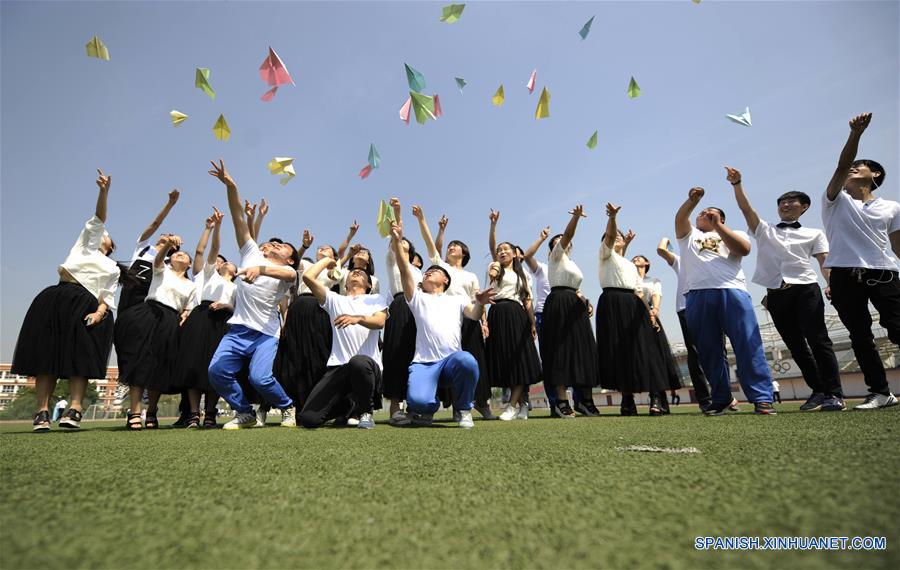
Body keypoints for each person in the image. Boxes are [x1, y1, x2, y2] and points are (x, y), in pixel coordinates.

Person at [727, 165, 844, 412]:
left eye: (792, 201)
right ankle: (818, 391)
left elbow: (825, 262)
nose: (786, 205)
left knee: (818, 341)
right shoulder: (764, 229)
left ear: (804, 207)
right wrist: (737, 185)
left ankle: (834, 393)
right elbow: (746, 209)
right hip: (776, 294)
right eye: (782, 202)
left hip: (806, 290)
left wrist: (830, 284)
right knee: (796, 345)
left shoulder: (814, 233)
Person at [12, 169, 119, 431]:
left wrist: (99, 313)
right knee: (46, 356)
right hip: (56, 298)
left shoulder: (111, 267)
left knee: (78, 359)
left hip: (86, 305)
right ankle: (42, 412)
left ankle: (75, 409)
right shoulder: (84, 245)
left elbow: (107, 297)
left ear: (111, 245)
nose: (102, 234)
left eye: (106, 236)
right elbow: (99, 217)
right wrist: (103, 191)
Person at [205, 159, 300, 430]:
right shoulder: (251, 253)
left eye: (282, 246)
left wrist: (260, 270)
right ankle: (244, 412)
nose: (275, 244)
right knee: (217, 371)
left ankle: (286, 406)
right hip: (238, 331)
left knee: (260, 379)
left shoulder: (289, 273)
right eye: (274, 242)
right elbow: (237, 217)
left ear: (289, 258)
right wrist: (231, 186)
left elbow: (288, 276)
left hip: (266, 334)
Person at [821, 113, 900, 410]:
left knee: (897, 327)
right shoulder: (835, 199)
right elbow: (842, 165)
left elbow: (897, 246)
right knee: (860, 336)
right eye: (851, 168)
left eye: (860, 167)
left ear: (875, 175)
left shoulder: (892, 207)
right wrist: (855, 134)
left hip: (884, 273)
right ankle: (880, 392)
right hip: (844, 275)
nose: (852, 169)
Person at [674, 187, 776, 415]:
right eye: (702, 212)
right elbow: (680, 218)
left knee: (747, 345)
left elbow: (744, 249)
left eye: (710, 212)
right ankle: (721, 398)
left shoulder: (735, 232)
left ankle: (761, 397)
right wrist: (692, 201)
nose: (704, 214)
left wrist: (718, 226)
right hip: (697, 295)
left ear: (722, 218)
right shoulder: (689, 236)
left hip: (732, 291)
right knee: (709, 350)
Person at [389, 221, 494, 428]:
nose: (427, 273)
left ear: (445, 280)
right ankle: (426, 410)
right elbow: (402, 268)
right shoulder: (416, 297)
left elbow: (473, 315)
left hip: (451, 362)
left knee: (467, 361)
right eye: (426, 272)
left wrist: (481, 304)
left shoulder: (457, 299)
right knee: (419, 402)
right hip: (424, 364)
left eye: (433, 271)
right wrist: (397, 239)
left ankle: (464, 409)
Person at [114, 233, 195, 430]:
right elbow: (158, 259)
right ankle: (134, 412)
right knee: (139, 360)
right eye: (178, 254)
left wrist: (184, 316)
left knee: (159, 364)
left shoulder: (191, 286)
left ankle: (151, 411)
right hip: (148, 312)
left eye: (185, 256)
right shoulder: (161, 270)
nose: (180, 256)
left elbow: (188, 308)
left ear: (190, 265)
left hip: (170, 321)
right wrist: (167, 245)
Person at [297, 256, 389, 429]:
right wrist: (327, 261)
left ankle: (365, 413)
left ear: (369, 285)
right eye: (353, 272)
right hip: (338, 367)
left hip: (366, 368)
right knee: (308, 419)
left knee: (358, 361)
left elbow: (379, 322)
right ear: (345, 284)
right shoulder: (334, 299)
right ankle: (345, 407)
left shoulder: (375, 299)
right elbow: (308, 277)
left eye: (361, 273)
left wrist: (358, 319)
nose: (356, 272)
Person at [596, 204, 668, 415]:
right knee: (621, 352)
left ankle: (656, 398)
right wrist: (613, 217)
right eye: (613, 235)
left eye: (620, 236)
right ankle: (627, 400)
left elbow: (638, 290)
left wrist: (650, 314)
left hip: (634, 304)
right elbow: (610, 237)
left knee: (645, 349)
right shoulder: (604, 255)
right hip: (612, 304)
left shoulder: (629, 264)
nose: (617, 237)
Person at [532, 206, 600, 418]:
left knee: (583, 350)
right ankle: (562, 401)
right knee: (560, 351)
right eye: (559, 240)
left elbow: (576, 287)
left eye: (564, 241)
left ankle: (585, 402)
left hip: (574, 304)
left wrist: (584, 300)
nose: (563, 241)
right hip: (558, 303)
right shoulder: (554, 257)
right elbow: (568, 234)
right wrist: (576, 218)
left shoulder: (572, 263)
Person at [173, 208, 237, 428]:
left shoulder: (235, 287)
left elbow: (237, 309)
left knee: (214, 367)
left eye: (226, 262)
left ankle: (210, 413)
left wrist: (227, 306)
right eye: (218, 261)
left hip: (222, 323)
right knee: (193, 364)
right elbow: (207, 249)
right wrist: (213, 227)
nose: (221, 262)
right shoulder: (208, 274)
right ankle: (193, 413)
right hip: (201, 318)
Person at [273, 230, 340, 410]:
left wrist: (332, 261)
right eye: (320, 248)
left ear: (333, 256)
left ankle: (318, 402)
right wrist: (304, 247)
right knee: (295, 353)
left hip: (319, 307)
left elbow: (335, 275)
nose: (322, 248)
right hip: (299, 307)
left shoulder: (334, 270)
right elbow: (295, 260)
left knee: (318, 352)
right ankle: (295, 403)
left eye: (327, 249)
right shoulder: (306, 263)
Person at [489, 210, 541, 418]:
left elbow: (527, 300)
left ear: (514, 253)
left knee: (519, 358)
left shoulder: (522, 274)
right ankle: (522, 405)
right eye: (499, 250)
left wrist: (532, 322)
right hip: (497, 313)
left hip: (516, 314)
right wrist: (493, 225)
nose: (502, 252)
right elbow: (492, 245)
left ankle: (512, 406)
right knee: (505, 359)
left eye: (506, 249)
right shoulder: (495, 268)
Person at [656, 238, 714, 412]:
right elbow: (661, 250)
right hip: (686, 308)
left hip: (711, 305)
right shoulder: (681, 261)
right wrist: (666, 239)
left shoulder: (712, 261)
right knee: (695, 352)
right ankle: (705, 399)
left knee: (717, 349)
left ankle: (723, 394)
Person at [381, 198, 422, 424]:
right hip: (399, 307)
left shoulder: (418, 272)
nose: (400, 244)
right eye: (398, 244)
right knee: (396, 354)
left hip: (418, 310)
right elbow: (396, 234)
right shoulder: (392, 261)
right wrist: (397, 212)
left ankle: (414, 405)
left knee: (415, 355)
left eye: (405, 245)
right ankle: (395, 408)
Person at [632, 254, 682, 414]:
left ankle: (657, 398)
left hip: (649, 318)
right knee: (645, 359)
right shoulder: (629, 280)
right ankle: (658, 399)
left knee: (655, 358)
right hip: (633, 319)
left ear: (647, 262)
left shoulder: (653, 280)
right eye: (633, 259)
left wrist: (654, 312)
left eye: (639, 258)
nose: (635, 260)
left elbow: (656, 297)